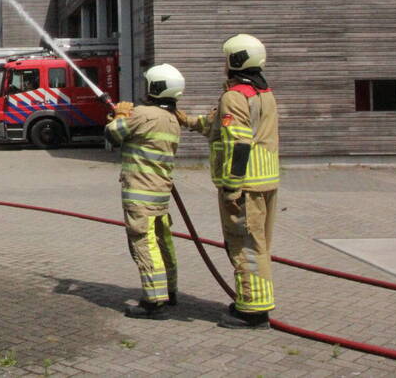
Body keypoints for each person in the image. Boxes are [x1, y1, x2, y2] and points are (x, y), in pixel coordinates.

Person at [177, 34, 279, 329]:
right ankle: (254, 302)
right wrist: (184, 119)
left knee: (244, 245)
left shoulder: (235, 96)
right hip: (264, 181)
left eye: (226, 59)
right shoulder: (261, 93)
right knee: (258, 245)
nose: (223, 64)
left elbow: (238, 143)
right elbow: (215, 125)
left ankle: (252, 312)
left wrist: (233, 185)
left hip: (244, 186)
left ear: (235, 60)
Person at [104, 64, 185, 320]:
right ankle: (169, 291)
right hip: (160, 193)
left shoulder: (143, 114)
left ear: (155, 87)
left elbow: (113, 134)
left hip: (140, 193)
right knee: (163, 243)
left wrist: (119, 114)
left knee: (144, 244)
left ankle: (154, 302)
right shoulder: (172, 119)